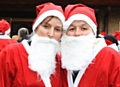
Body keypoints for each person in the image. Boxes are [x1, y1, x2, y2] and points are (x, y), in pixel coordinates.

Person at [0, 2, 65, 87]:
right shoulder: (12, 52)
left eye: (57, 29)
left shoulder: (60, 60)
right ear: (36, 27)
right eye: (46, 26)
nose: (51, 34)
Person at [61, 3, 120, 87]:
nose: (77, 33)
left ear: (93, 32)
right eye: (72, 29)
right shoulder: (62, 61)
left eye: (84, 28)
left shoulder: (110, 55)